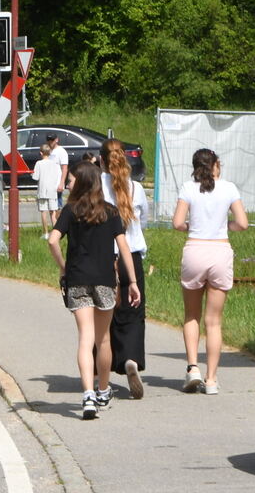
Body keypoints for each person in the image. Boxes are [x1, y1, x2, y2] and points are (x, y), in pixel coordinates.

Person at [48, 161, 141, 420]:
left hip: (77, 280)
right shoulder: (110, 212)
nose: (69, 183)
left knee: (85, 338)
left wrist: (63, 267)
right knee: (103, 340)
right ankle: (102, 390)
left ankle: (87, 394)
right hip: (105, 280)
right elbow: (124, 249)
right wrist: (131, 282)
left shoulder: (70, 211)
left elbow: (53, 240)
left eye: (72, 179)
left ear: (82, 182)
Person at [172, 148, 249, 396]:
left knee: (191, 315)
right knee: (213, 322)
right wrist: (225, 225)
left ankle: (193, 368)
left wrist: (192, 226)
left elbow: (177, 223)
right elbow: (243, 223)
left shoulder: (188, 188)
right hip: (219, 251)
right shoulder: (228, 188)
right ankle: (212, 379)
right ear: (215, 164)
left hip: (195, 249)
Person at [100, 138, 150, 399]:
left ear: (101, 161)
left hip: (105, 257)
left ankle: (104, 369)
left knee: (105, 313)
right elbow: (144, 219)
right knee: (133, 311)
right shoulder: (135, 188)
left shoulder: (98, 186)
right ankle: (130, 358)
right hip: (133, 257)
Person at [33, 145, 62, 229]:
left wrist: (32, 174)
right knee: (53, 211)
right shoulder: (55, 164)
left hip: (42, 190)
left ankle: (45, 232)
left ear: (41, 153)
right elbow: (57, 175)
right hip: (52, 189)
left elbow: (35, 177)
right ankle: (55, 230)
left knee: (43, 211)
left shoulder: (39, 163)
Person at [45, 133, 71, 208]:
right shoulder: (47, 151)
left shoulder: (61, 151)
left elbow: (64, 168)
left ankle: (58, 219)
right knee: (49, 206)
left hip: (57, 182)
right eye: (49, 140)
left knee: (57, 205)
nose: (50, 142)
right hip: (49, 182)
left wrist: (61, 183)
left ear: (56, 140)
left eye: (52, 140)